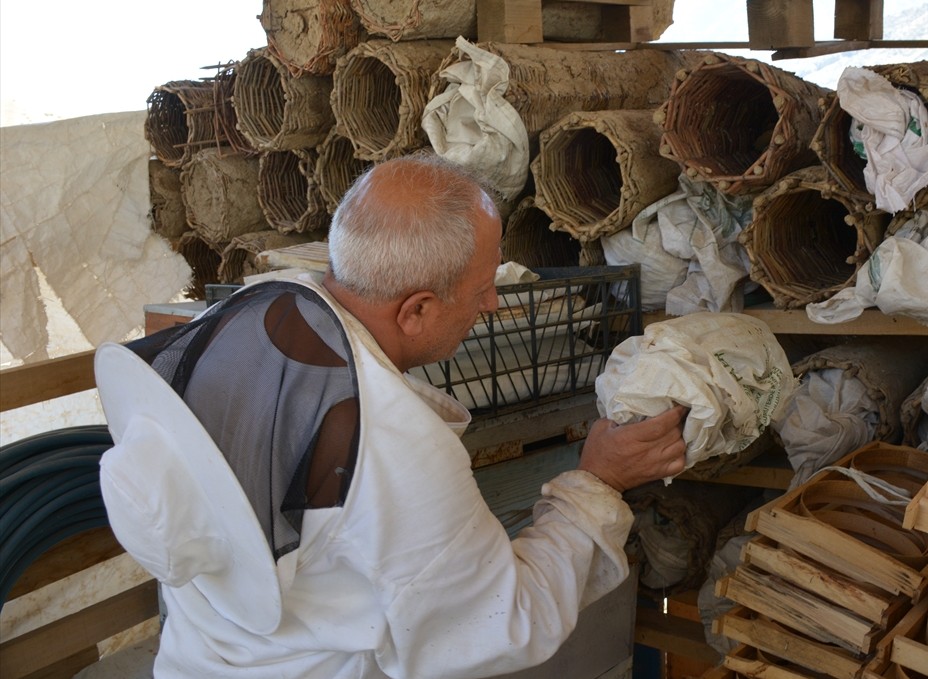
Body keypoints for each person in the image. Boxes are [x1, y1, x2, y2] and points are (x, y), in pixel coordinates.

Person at [97, 154, 688, 678]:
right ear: (417, 310)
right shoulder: (398, 449)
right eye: (484, 288)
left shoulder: (259, 303)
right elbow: (508, 622)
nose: (490, 302)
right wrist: (598, 481)